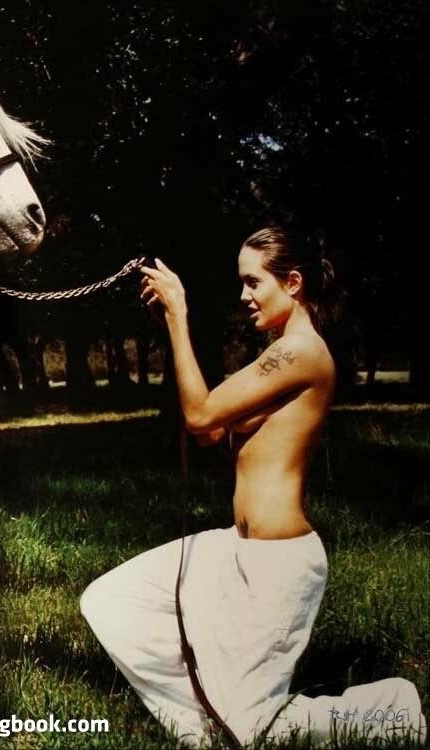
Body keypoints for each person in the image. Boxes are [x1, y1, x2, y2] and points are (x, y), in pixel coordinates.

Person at [80, 226, 427, 748]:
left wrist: (178, 315)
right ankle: (201, 724)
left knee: (253, 731)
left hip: (277, 563)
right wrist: (173, 327)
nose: (243, 296)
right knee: (110, 600)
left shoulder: (303, 353)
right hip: (234, 549)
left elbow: (199, 416)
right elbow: (212, 429)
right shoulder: (278, 354)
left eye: (253, 282)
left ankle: (390, 711)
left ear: (293, 283)